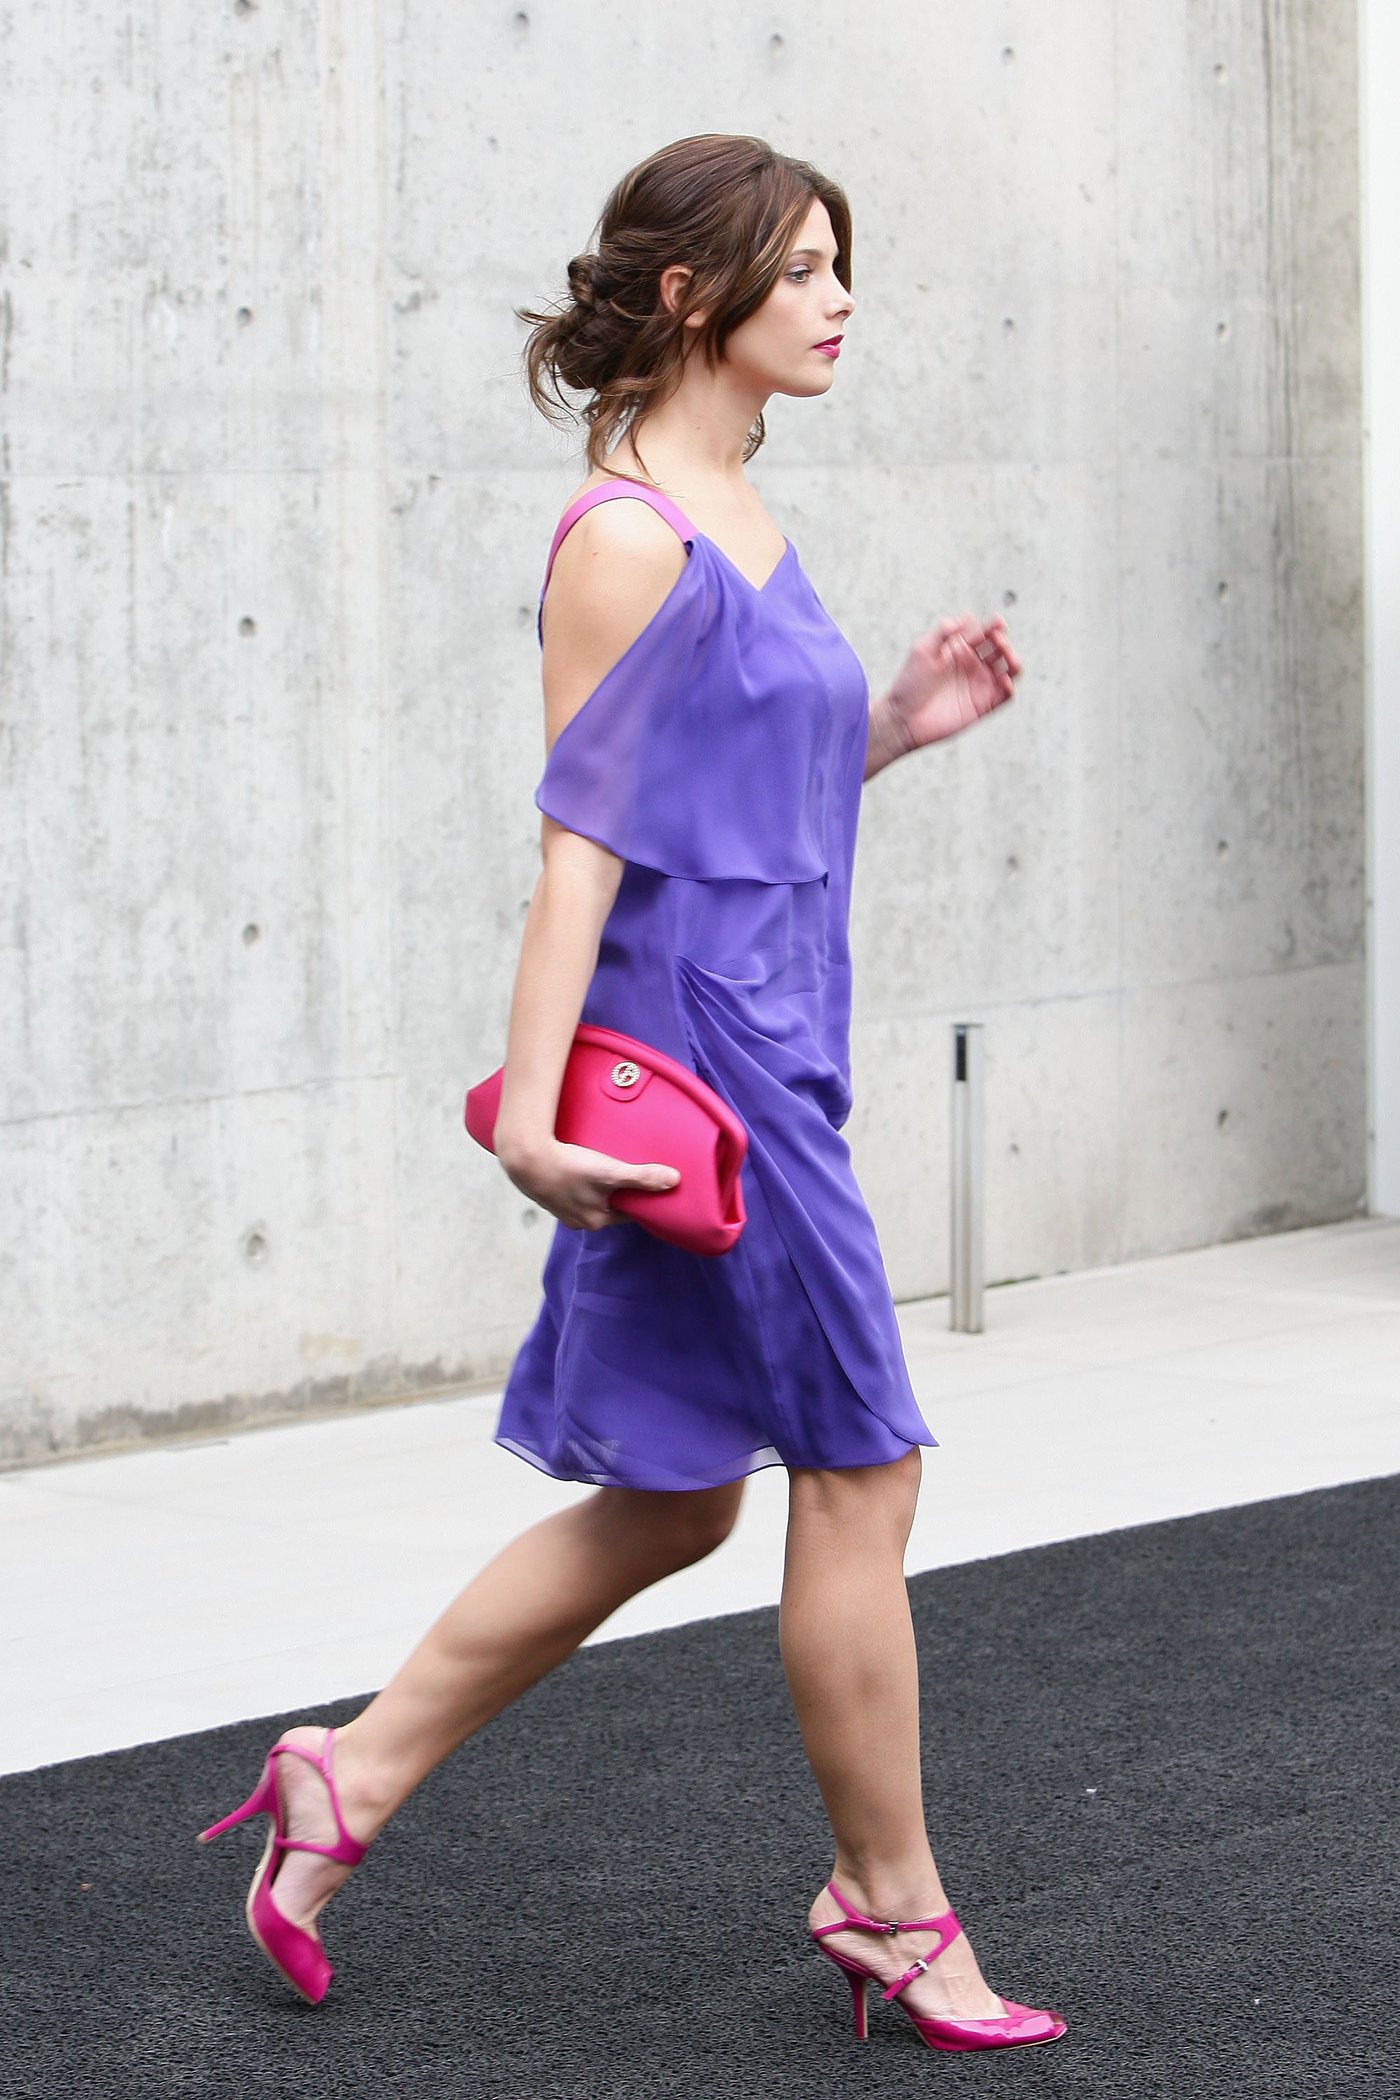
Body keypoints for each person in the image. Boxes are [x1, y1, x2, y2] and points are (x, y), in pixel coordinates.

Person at [198, 132, 1065, 2056]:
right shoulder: (625, 537)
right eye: (808, 267)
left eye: (850, 266)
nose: (844, 301)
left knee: (675, 1501)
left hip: (774, 1043)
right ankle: (893, 1907)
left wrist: (893, 728)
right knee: (866, 1463)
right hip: (710, 1072)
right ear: (694, 293)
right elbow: (582, 851)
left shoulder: (738, 495)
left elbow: (730, 803)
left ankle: (345, 1782)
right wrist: (523, 1112)